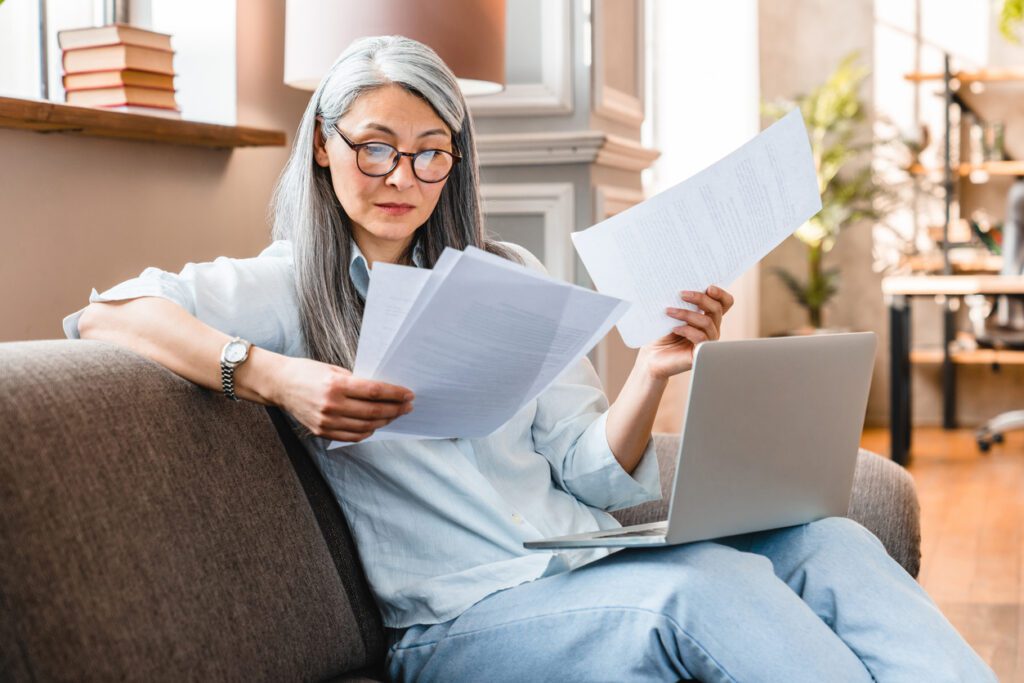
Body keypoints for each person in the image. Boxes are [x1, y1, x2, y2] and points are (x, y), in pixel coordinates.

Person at [64, 35, 994, 682]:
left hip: (579, 566)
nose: (404, 178)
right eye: (377, 148)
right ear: (322, 146)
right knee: (704, 589)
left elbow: (595, 476)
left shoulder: (502, 271)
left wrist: (654, 370)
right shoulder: (283, 287)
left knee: (830, 538)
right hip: (458, 625)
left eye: (432, 155)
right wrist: (272, 375)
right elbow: (103, 315)